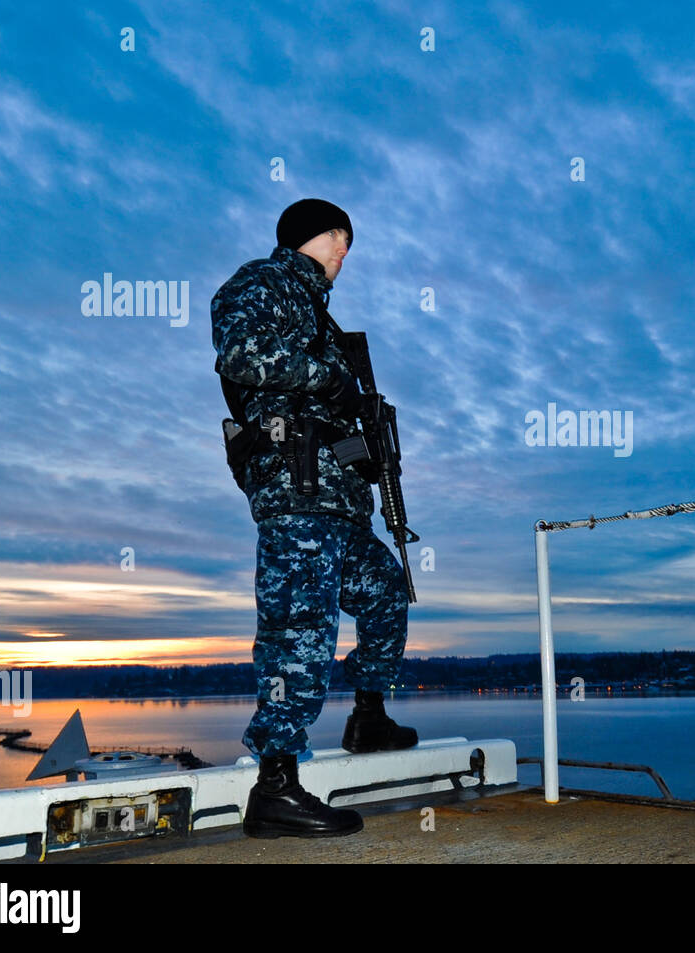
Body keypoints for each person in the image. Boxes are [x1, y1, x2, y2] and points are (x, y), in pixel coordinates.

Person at [210, 198, 419, 839]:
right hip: (294, 491)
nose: (345, 250)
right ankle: (275, 786)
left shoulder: (325, 319)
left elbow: (339, 404)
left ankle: (369, 716)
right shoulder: (258, 283)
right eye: (339, 237)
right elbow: (241, 357)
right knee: (299, 633)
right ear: (312, 234)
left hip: (340, 502)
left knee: (388, 594)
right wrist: (331, 380)